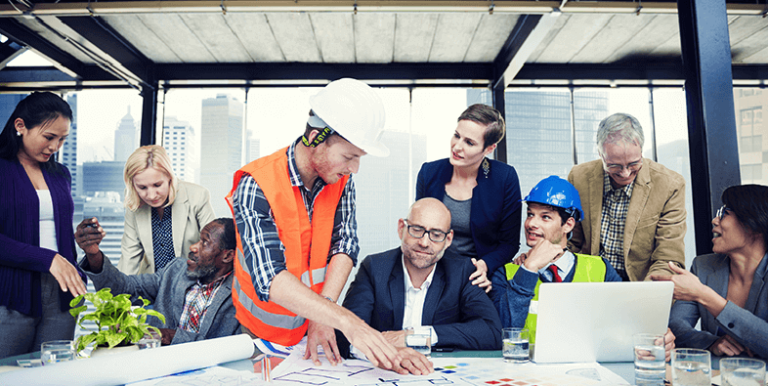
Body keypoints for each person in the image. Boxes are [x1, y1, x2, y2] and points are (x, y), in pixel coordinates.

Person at [227, 78, 400, 370]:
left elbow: (345, 245)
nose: (354, 168)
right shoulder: (255, 185)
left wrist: (324, 314)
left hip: (313, 331)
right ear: (315, 138)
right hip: (256, 337)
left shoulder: (341, 180)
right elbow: (270, 278)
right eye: (349, 156)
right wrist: (347, 322)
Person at [337, 198, 502, 373]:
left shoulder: (462, 271)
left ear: (448, 239)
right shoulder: (375, 268)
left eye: (436, 235)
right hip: (382, 373)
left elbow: (492, 332)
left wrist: (414, 336)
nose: (424, 242)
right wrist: (391, 355)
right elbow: (345, 335)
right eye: (417, 230)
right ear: (402, 228)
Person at [0, 92, 87, 358]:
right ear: (20, 126)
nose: (55, 146)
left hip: (62, 294)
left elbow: (59, 233)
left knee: (53, 375)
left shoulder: (61, 174)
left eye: (62, 139)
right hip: (11, 292)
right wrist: (47, 258)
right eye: (49, 137)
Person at [75, 218, 239, 345]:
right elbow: (124, 288)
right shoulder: (176, 271)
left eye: (205, 242)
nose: (194, 247)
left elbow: (228, 346)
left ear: (227, 256)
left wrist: (170, 336)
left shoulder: (241, 295)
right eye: (198, 239)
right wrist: (94, 255)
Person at [416, 103, 522, 295]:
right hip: (434, 272)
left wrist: (484, 265)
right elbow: (419, 229)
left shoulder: (504, 178)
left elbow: (509, 243)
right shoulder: (429, 173)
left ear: (489, 148)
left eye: (469, 143)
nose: (457, 147)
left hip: (480, 274)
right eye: (457, 135)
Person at [653, 185, 768, 359]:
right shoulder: (703, 266)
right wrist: (711, 342)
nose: (715, 220)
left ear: (754, 224)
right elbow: (676, 325)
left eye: (725, 214)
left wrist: (705, 296)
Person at [567, 112, 686, 281]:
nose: (625, 173)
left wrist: (645, 295)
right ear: (601, 155)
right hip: (590, 281)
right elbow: (572, 242)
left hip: (641, 283)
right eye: (614, 165)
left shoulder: (670, 185)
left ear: (641, 151)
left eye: (633, 164)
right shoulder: (578, 177)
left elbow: (668, 256)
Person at [114, 145, 215, 275]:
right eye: (142, 187)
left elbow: (214, 246)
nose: (151, 195)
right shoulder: (135, 205)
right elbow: (129, 257)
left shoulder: (198, 196)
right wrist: (122, 292)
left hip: (192, 282)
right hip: (152, 286)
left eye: (157, 185)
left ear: (169, 177)